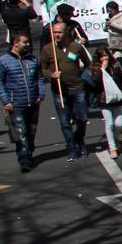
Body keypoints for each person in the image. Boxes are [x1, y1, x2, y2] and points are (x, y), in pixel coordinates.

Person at [38, 19, 92, 161]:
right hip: (59, 91)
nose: (56, 35)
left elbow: (88, 63)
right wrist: (51, 75)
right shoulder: (48, 49)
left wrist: (82, 76)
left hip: (77, 89)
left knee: (82, 119)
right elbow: (42, 68)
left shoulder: (76, 47)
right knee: (65, 122)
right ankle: (72, 148)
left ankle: (79, 139)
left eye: (59, 32)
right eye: (54, 32)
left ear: (66, 33)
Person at [0, 32, 44, 171]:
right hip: (16, 104)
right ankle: (24, 161)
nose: (28, 45)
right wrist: (6, 101)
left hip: (33, 102)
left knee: (31, 132)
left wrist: (40, 95)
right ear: (15, 43)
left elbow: (39, 78)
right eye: (25, 42)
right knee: (21, 134)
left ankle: (28, 151)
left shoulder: (32, 59)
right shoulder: (3, 60)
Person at [89, 47, 122, 158]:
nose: (105, 58)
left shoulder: (115, 66)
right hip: (104, 99)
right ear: (98, 58)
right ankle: (112, 148)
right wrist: (102, 70)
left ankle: (115, 138)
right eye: (102, 56)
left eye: (106, 55)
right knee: (109, 123)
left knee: (119, 124)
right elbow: (96, 83)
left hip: (115, 99)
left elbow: (120, 81)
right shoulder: (95, 68)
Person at [104, 0, 122, 79]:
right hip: (112, 40)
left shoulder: (121, 16)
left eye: (111, 10)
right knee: (121, 59)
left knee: (116, 58)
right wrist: (106, 26)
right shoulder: (109, 16)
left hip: (119, 40)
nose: (109, 12)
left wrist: (112, 24)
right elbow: (106, 29)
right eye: (108, 10)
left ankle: (113, 76)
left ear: (115, 9)